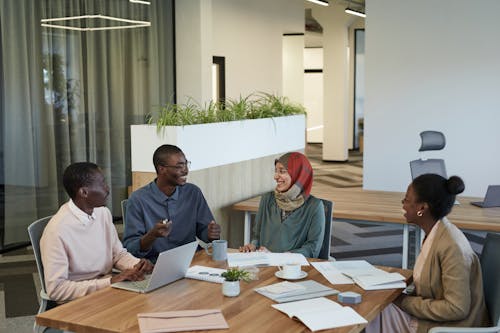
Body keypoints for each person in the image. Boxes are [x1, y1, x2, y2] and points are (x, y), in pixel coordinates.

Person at [366, 174, 489, 333]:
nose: (403, 206)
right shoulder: (436, 232)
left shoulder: (451, 247)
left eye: (407, 200)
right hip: (433, 318)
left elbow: (457, 308)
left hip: (449, 327)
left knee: (372, 313)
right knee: (376, 304)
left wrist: (405, 302)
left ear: (422, 208)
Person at [40, 162, 153, 303]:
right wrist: (110, 282)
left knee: (154, 302)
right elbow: (57, 290)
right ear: (84, 192)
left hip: (108, 290)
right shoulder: (57, 231)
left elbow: (118, 255)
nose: (107, 189)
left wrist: (137, 265)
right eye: (102, 183)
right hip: (78, 301)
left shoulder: (102, 213)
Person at [123, 144, 221, 262]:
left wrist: (211, 234)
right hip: (156, 264)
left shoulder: (193, 192)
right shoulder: (138, 200)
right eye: (179, 166)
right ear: (161, 169)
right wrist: (152, 235)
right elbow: (131, 249)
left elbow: (205, 232)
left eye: (186, 164)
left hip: (191, 259)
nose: (186, 170)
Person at [239, 152, 325, 258]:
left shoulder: (315, 206)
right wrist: (252, 246)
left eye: (282, 171)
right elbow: (257, 236)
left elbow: (313, 248)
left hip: (295, 268)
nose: (275, 177)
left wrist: (281, 257)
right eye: (276, 171)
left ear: (298, 175)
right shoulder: (267, 199)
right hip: (265, 263)